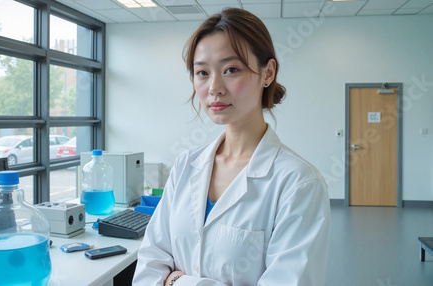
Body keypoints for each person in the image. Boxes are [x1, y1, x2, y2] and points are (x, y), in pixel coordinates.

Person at [132, 8, 330, 286]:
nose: (215, 87)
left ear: (268, 73)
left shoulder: (299, 183)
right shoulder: (186, 165)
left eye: (231, 70)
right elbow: (149, 265)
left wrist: (176, 281)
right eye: (202, 72)